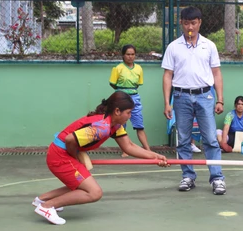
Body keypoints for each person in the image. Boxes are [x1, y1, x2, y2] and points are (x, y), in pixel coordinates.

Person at [32, 92, 168, 225]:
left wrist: (156, 157)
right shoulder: (101, 127)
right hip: (60, 156)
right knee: (94, 192)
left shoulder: (114, 126)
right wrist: (76, 158)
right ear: (117, 111)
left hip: (61, 153)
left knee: (81, 184)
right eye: (128, 112)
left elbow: (129, 146)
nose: (130, 116)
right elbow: (69, 139)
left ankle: (41, 200)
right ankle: (47, 207)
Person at [161, 6, 226, 195]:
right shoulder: (173, 47)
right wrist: (167, 102)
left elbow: (216, 73)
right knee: (183, 140)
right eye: (187, 23)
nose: (190, 26)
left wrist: (219, 99)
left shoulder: (209, 45)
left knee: (211, 139)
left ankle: (217, 178)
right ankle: (188, 176)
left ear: (200, 23)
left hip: (205, 96)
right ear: (181, 23)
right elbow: (167, 75)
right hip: (181, 97)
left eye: (194, 23)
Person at [109, 44, 151, 157]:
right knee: (121, 124)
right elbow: (112, 83)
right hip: (121, 97)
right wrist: (122, 93)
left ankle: (147, 149)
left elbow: (138, 84)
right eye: (128, 54)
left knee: (139, 125)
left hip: (135, 97)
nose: (130, 57)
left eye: (132, 54)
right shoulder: (118, 68)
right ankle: (125, 150)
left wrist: (131, 92)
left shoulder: (139, 68)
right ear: (123, 55)